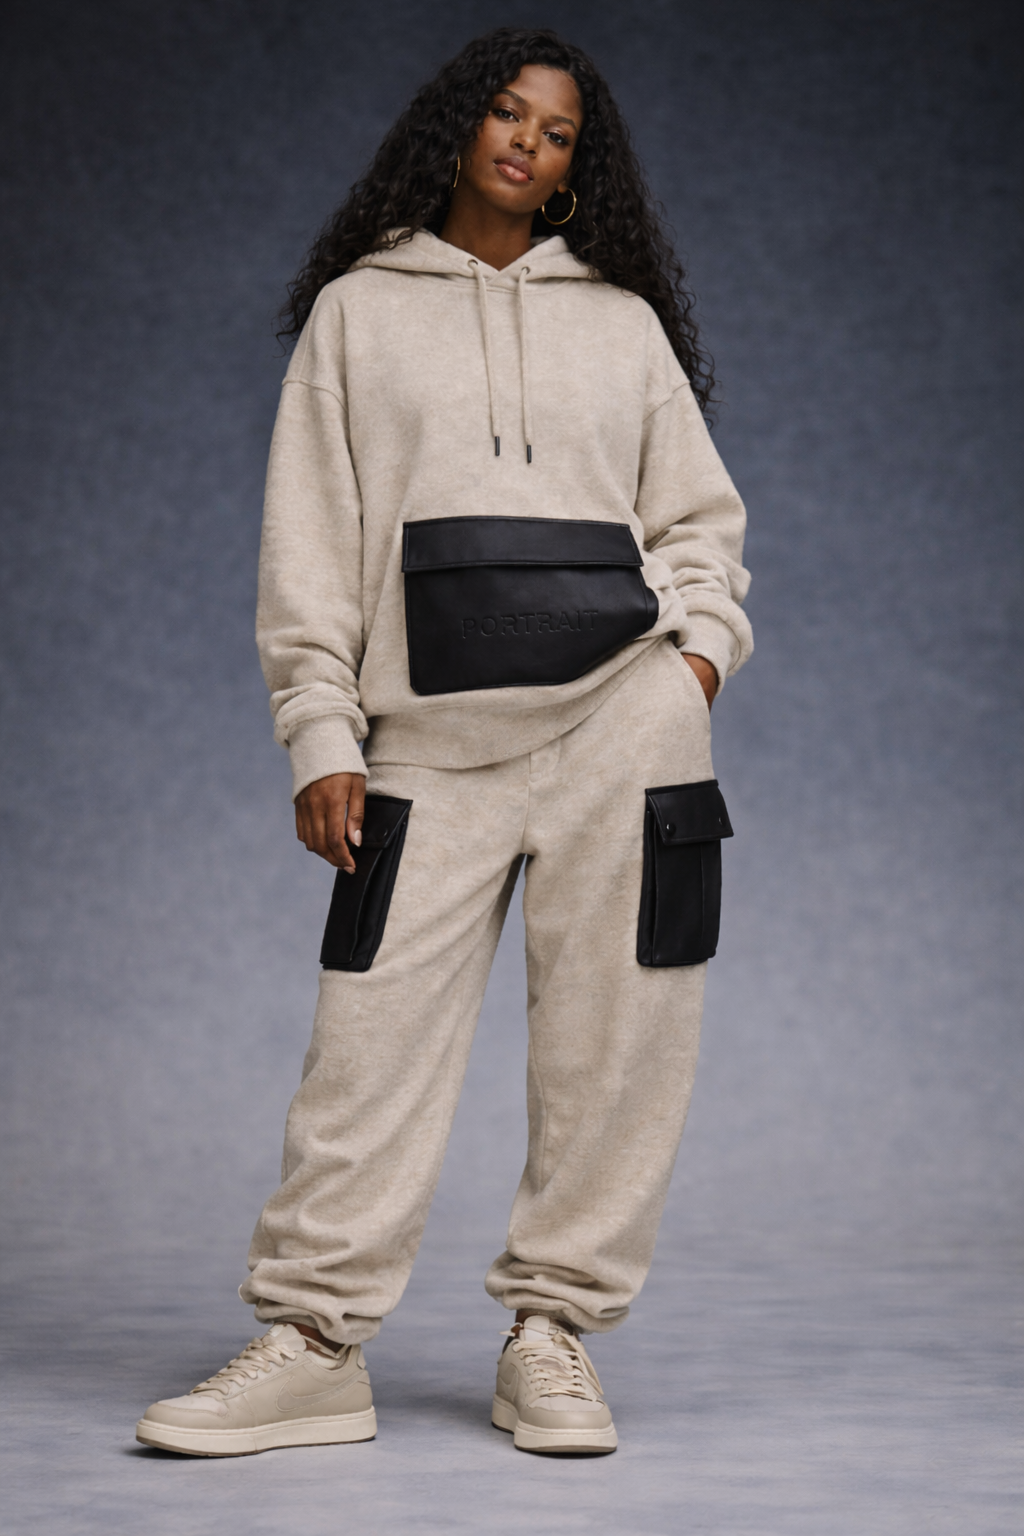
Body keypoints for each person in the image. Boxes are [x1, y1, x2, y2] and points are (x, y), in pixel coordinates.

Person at [136, 25, 752, 1459]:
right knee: (366, 1048)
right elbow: (309, 542)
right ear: (458, 127)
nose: (527, 141)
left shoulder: (622, 323)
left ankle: (553, 1335)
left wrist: (695, 666)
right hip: (423, 738)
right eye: (506, 113)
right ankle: (313, 1345)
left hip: (623, 730)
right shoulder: (359, 314)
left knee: (621, 1039)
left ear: (576, 169)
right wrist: (320, 734)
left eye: (558, 131)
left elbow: (700, 524)